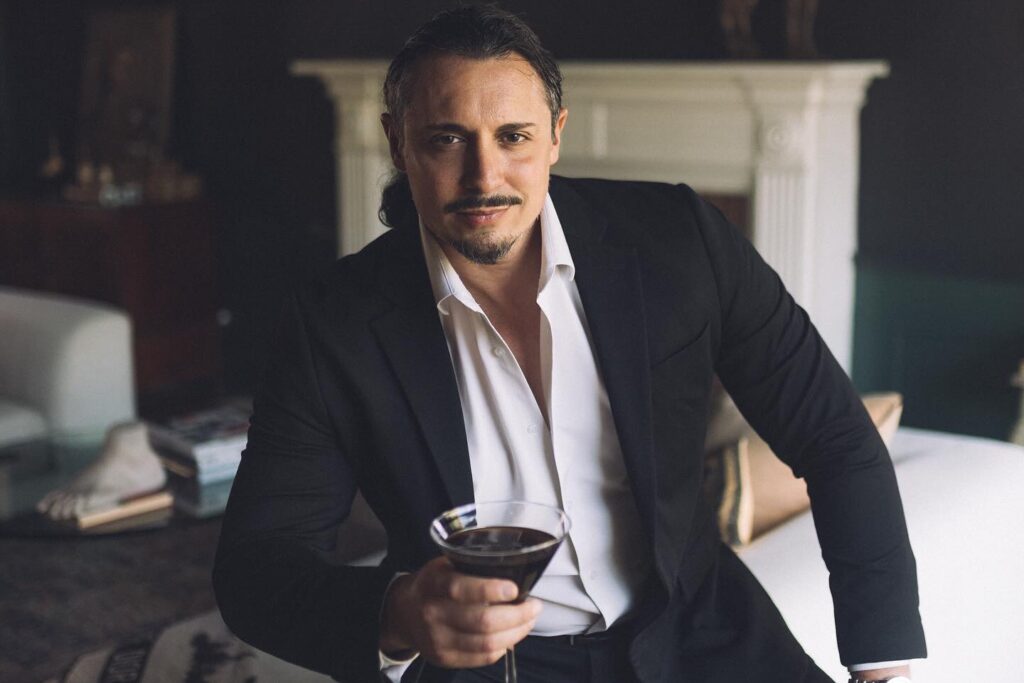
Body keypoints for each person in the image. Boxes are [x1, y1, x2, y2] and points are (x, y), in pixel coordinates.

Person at [213, 6, 925, 682]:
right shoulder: (331, 325)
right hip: (489, 668)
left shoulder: (681, 240)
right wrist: (399, 613)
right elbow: (256, 569)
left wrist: (879, 659)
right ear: (398, 142)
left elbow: (834, 434)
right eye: (446, 138)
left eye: (513, 137)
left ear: (555, 134)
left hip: (702, 633)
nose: (484, 177)